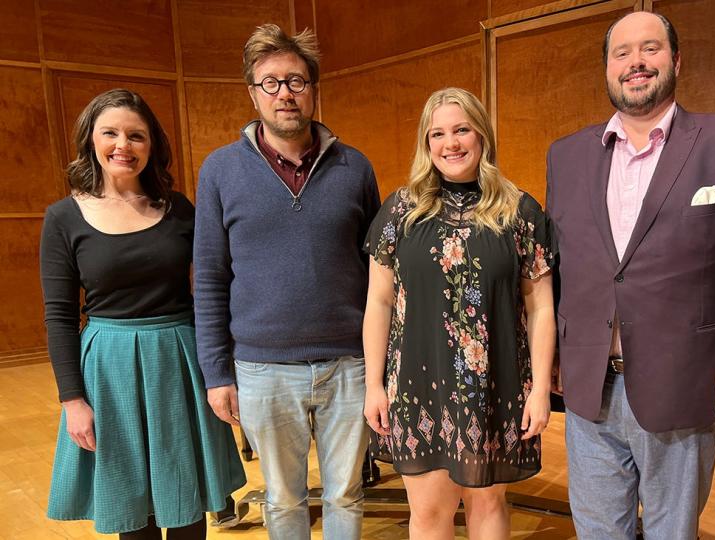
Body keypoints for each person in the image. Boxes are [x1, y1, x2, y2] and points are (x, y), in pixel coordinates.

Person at [545, 11, 715, 540]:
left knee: (673, 533)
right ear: (607, 68)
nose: (636, 63)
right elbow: (563, 267)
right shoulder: (566, 156)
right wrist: (556, 358)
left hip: (684, 380)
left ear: (676, 60)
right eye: (622, 53)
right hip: (591, 385)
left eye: (650, 49)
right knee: (597, 532)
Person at [193, 24, 380, 540]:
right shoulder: (220, 171)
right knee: (282, 499)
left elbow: (377, 272)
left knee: (346, 493)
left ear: (313, 88)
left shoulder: (355, 167)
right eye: (270, 83)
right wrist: (216, 372)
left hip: (349, 362)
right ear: (253, 93)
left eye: (296, 81)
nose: (285, 94)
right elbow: (209, 276)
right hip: (261, 368)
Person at [40, 88, 246, 538]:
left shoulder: (179, 210)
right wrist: (72, 400)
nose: (123, 146)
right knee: (133, 508)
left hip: (178, 359)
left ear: (152, 145)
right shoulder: (63, 217)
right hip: (109, 369)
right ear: (90, 140)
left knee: (187, 501)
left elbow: (219, 280)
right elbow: (58, 316)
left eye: (136, 136)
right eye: (110, 133)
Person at [363, 87, 556, 539]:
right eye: (438, 134)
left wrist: (541, 389)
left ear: (482, 136)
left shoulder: (519, 211)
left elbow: (540, 305)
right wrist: (373, 384)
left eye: (461, 129)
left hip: (496, 384)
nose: (451, 143)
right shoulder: (400, 212)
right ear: (426, 144)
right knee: (429, 513)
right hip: (414, 386)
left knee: (488, 505)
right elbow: (379, 302)